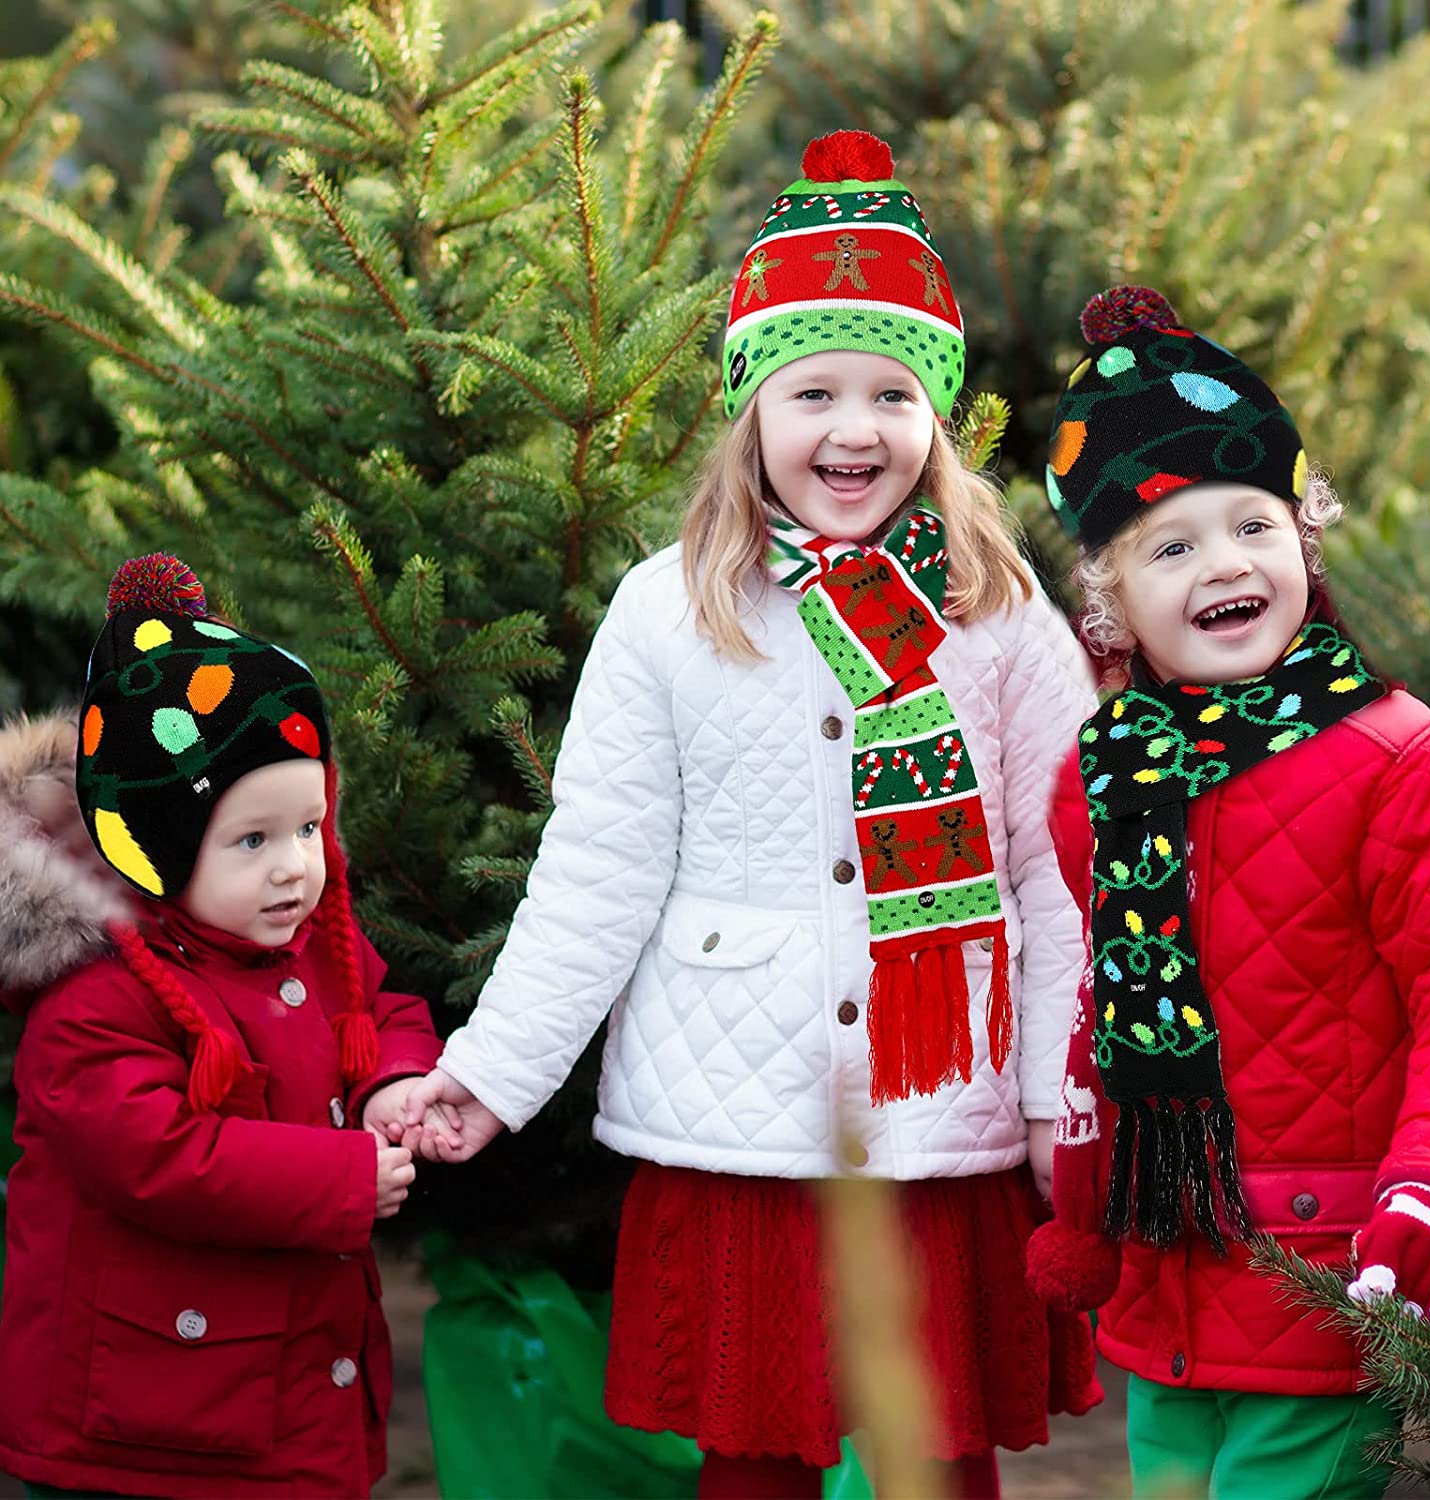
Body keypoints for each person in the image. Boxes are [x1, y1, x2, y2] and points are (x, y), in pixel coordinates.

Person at [398, 131, 1101, 1499]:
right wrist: (489, 1075)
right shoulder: (670, 607)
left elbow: (1054, 879)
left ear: (938, 414)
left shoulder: (999, 615)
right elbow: (599, 871)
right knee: (757, 1453)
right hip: (744, 1123)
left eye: (895, 392)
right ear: (750, 404)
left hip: (937, 1110)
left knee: (931, 1455)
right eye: (813, 389)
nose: (854, 430)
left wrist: (1054, 1100)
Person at [1026, 285, 1430, 1499]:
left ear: (1306, 538)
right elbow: (1103, 1018)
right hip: (1162, 1278)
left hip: (1328, 1265)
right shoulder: (1106, 780)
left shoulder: (1405, 761)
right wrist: (1084, 1203)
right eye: (1172, 547)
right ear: (1109, 601)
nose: (1225, 563)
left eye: (1254, 527)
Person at [0, 553, 446, 1499]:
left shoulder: (303, 936)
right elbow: (152, 1154)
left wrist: (393, 1082)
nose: (294, 868)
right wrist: (345, 1176)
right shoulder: (96, 988)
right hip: (142, 1434)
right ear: (150, 844)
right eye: (252, 840)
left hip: (276, 1393)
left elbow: (383, 1006)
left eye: (307, 828)